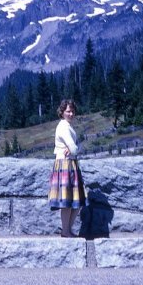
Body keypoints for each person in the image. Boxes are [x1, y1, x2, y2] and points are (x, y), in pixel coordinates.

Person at [49, 99, 87, 237]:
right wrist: (73, 149)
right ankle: (65, 231)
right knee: (67, 201)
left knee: (76, 201)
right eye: (68, 111)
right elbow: (74, 148)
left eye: (72, 111)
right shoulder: (63, 127)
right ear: (62, 112)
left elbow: (77, 147)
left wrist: (74, 149)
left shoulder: (68, 126)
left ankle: (68, 230)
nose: (71, 114)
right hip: (65, 164)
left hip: (70, 164)